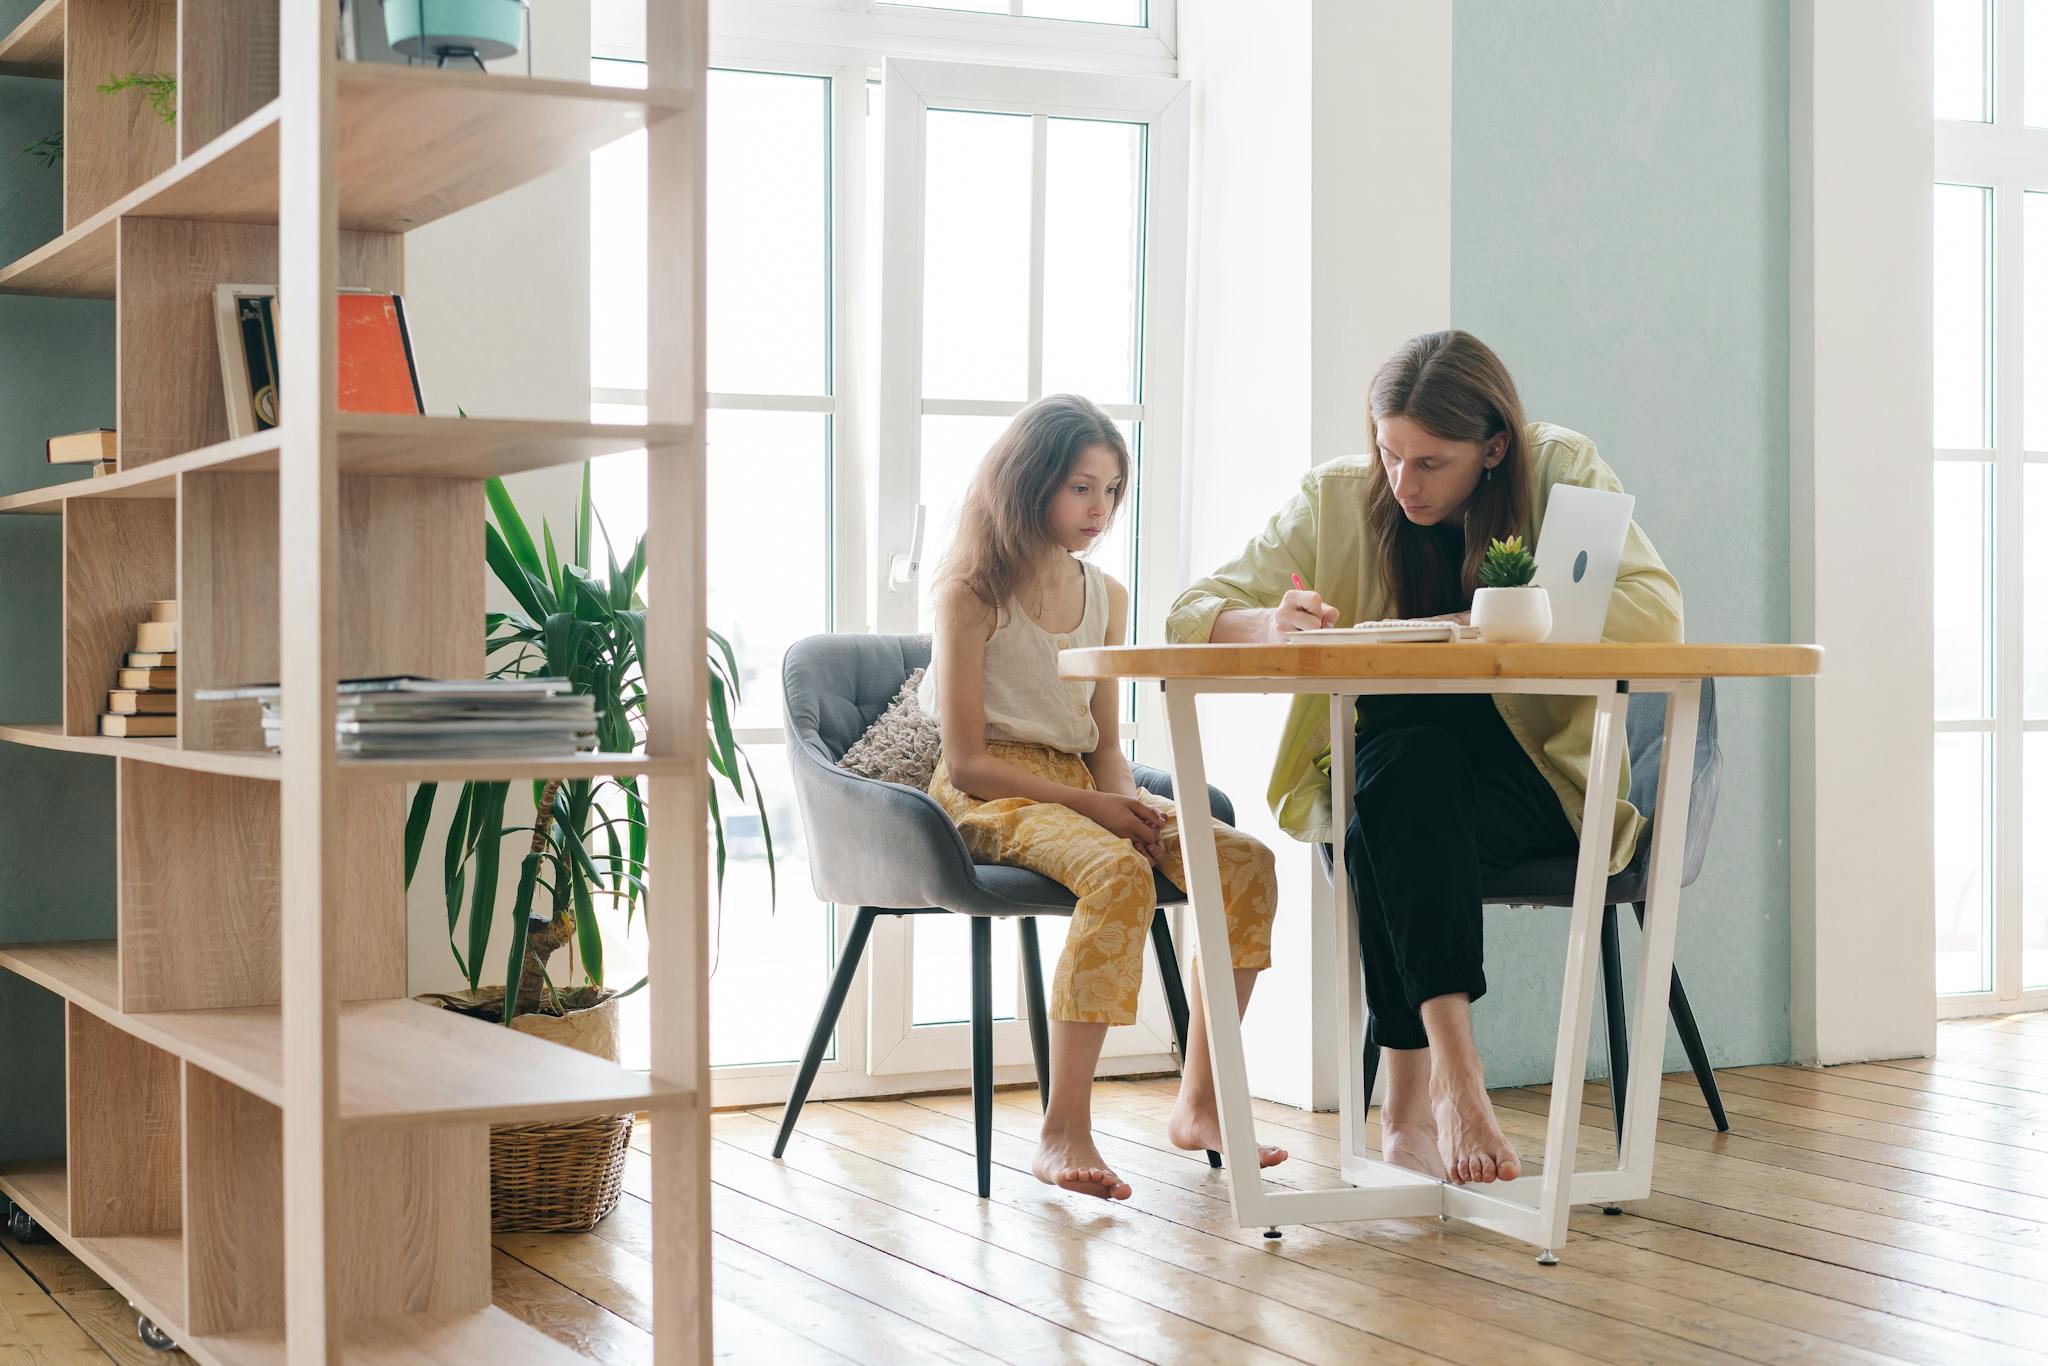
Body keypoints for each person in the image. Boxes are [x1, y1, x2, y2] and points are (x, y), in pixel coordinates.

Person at [1167, 330, 1682, 1184]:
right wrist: (1266, 624)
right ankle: (1454, 1073)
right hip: (1405, 793)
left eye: (1431, 463)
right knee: (1403, 773)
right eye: (1389, 453)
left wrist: (1496, 621)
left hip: (1533, 788)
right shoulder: (1338, 499)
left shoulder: (1560, 472)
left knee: (1389, 796)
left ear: (1493, 449)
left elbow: (1654, 610)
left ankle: (1411, 1101)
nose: (1403, 485)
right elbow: (1194, 610)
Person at [923, 393, 1288, 1201]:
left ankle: (1202, 1103)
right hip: (993, 795)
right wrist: (1098, 813)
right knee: (1118, 876)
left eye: (1113, 490)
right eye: (1081, 487)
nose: (1100, 509)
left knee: (1249, 865)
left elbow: (1108, 746)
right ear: (1030, 482)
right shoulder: (970, 593)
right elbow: (970, 761)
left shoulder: (1108, 596)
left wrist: (1133, 808)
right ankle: (1064, 1129)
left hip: (1083, 784)